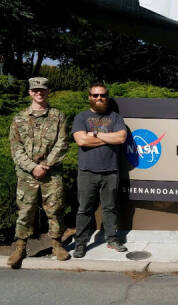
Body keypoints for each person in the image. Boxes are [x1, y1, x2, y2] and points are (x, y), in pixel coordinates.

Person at [8, 77, 69, 268]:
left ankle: (56, 244)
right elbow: (15, 147)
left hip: (51, 173)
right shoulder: (19, 118)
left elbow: (62, 143)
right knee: (25, 210)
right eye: (35, 90)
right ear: (30, 93)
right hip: (27, 174)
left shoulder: (58, 116)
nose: (39, 93)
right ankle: (20, 247)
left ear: (47, 91)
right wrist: (32, 167)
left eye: (42, 90)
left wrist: (45, 165)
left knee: (55, 209)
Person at [71, 83, 128, 258]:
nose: (99, 98)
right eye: (95, 95)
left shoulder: (115, 117)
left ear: (107, 97)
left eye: (102, 95)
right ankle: (80, 244)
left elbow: (121, 138)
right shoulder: (81, 117)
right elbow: (81, 141)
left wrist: (94, 135)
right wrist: (108, 138)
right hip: (87, 171)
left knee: (110, 208)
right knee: (84, 209)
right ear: (89, 97)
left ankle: (112, 239)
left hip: (110, 171)